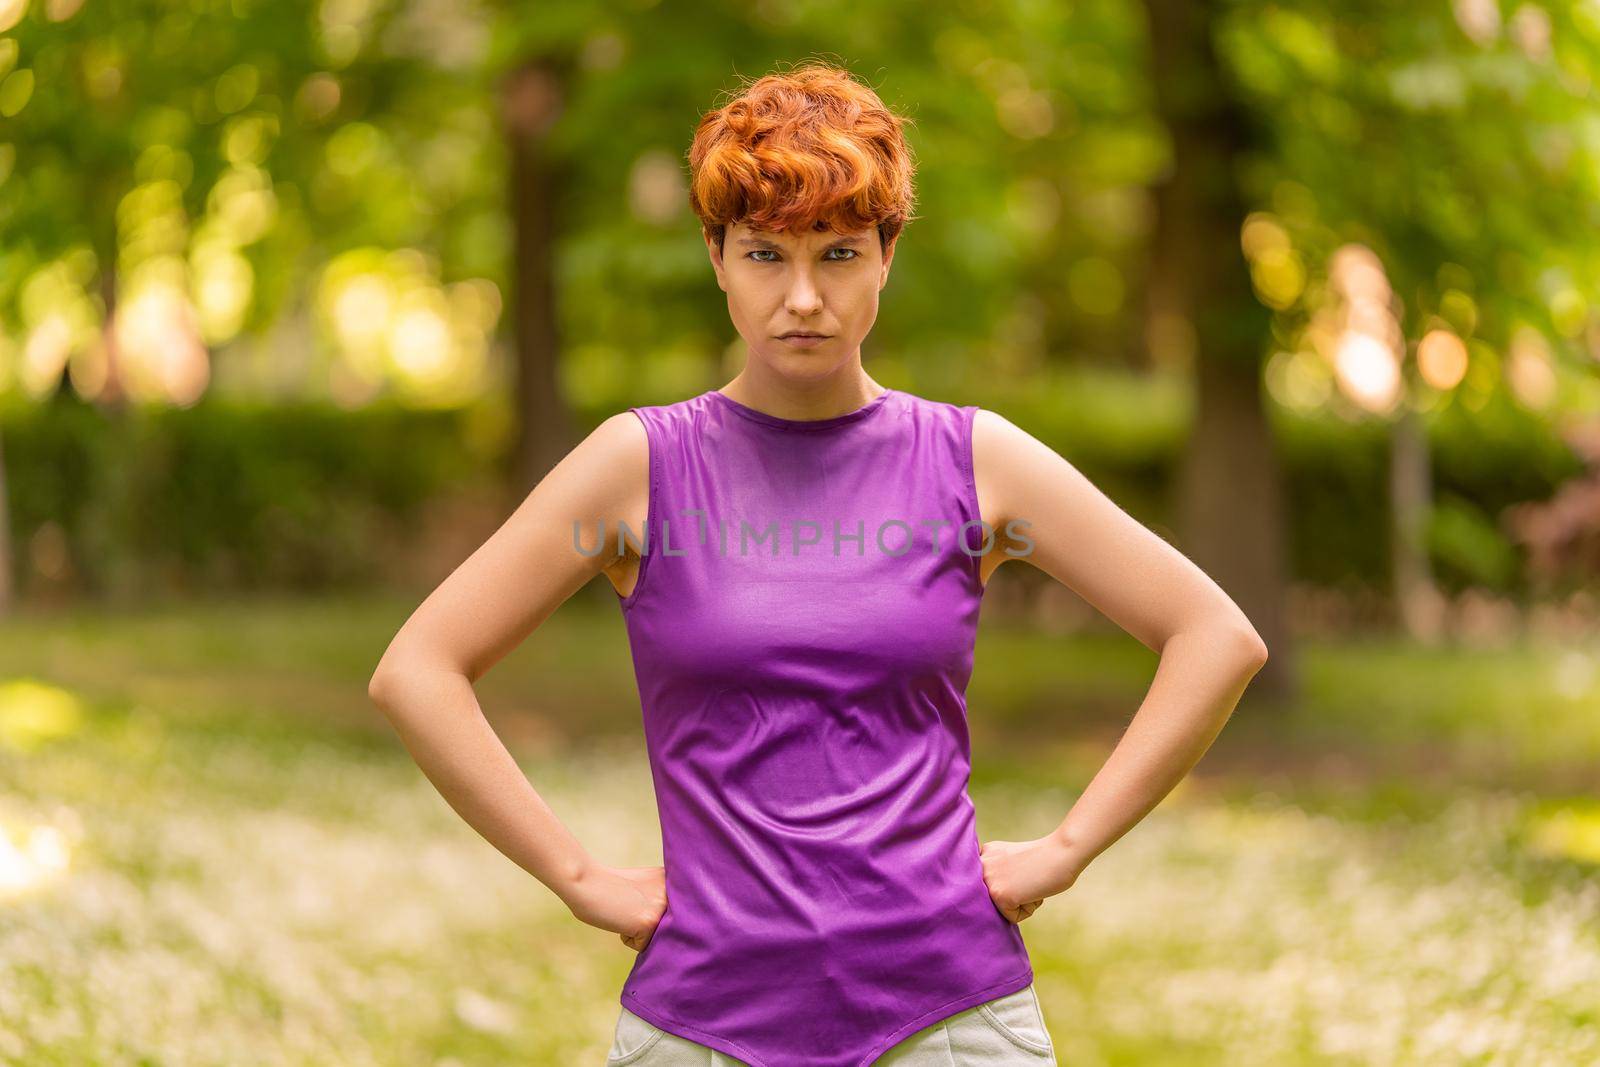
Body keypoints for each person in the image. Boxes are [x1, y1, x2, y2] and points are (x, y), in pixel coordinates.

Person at [367, 60, 1269, 1067]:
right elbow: (418, 667)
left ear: (887, 253)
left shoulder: (975, 463)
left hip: (949, 1020)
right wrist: (577, 874)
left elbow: (1214, 636)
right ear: (716, 256)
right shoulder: (638, 470)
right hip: (700, 1022)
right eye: (764, 254)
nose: (804, 297)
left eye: (838, 252)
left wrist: (1063, 851)